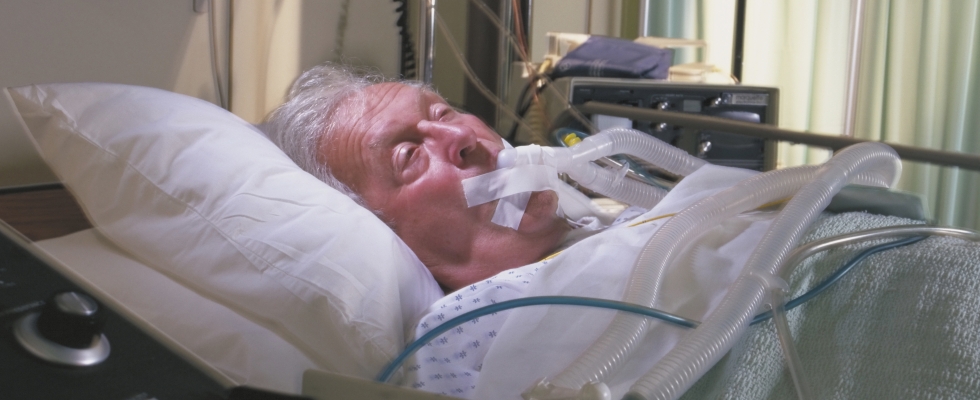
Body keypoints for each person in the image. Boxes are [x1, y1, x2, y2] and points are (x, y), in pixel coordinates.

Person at [266, 63, 572, 291]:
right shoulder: (483, 340)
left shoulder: (586, 239)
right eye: (409, 154)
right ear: (381, 231)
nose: (462, 135)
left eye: (442, 113)